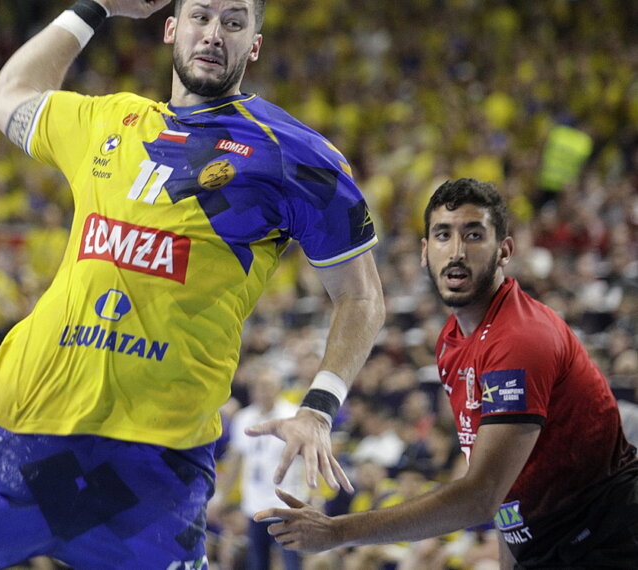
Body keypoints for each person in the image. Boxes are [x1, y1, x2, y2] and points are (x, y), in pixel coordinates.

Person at [0, 1, 383, 568]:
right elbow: (5, 97)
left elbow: (361, 297)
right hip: (9, 428)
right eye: (201, 17)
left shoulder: (297, 158)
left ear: (253, 45)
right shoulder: (109, 119)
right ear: (171, 29)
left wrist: (319, 408)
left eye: (234, 23)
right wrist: (96, 7)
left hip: (152, 470)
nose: (213, 34)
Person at [257, 178, 638, 568]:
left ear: (504, 250)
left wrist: (337, 531)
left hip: (606, 540)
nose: (456, 252)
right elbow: (506, 496)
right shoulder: (450, 342)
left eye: (474, 235)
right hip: (546, 544)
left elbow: (481, 494)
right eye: (443, 235)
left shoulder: (521, 338)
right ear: (425, 252)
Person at [210, 359, 307, 570]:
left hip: (287, 502)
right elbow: (236, 460)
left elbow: (306, 457)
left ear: (278, 387)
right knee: (257, 561)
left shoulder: (293, 415)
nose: (263, 391)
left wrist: (309, 495)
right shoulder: (244, 418)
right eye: (258, 386)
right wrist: (223, 496)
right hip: (254, 502)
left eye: (268, 386)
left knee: (291, 559)